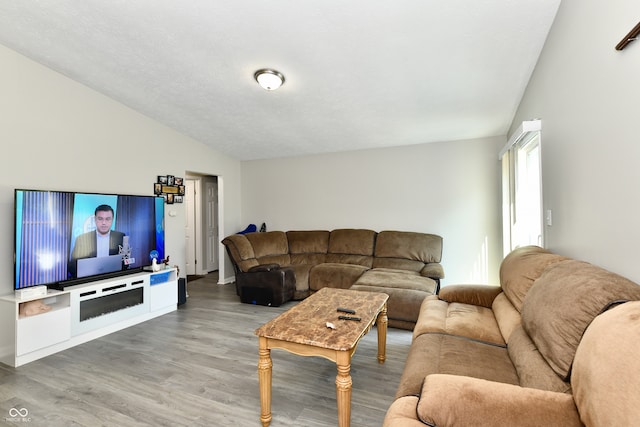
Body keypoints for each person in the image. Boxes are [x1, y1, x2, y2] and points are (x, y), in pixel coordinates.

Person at [68, 204, 125, 277]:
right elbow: (73, 266)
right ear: (95, 219)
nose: (104, 223)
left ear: (112, 220)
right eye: (100, 219)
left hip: (113, 279)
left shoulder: (120, 237)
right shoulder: (81, 239)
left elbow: (125, 263)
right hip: (89, 281)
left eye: (108, 219)